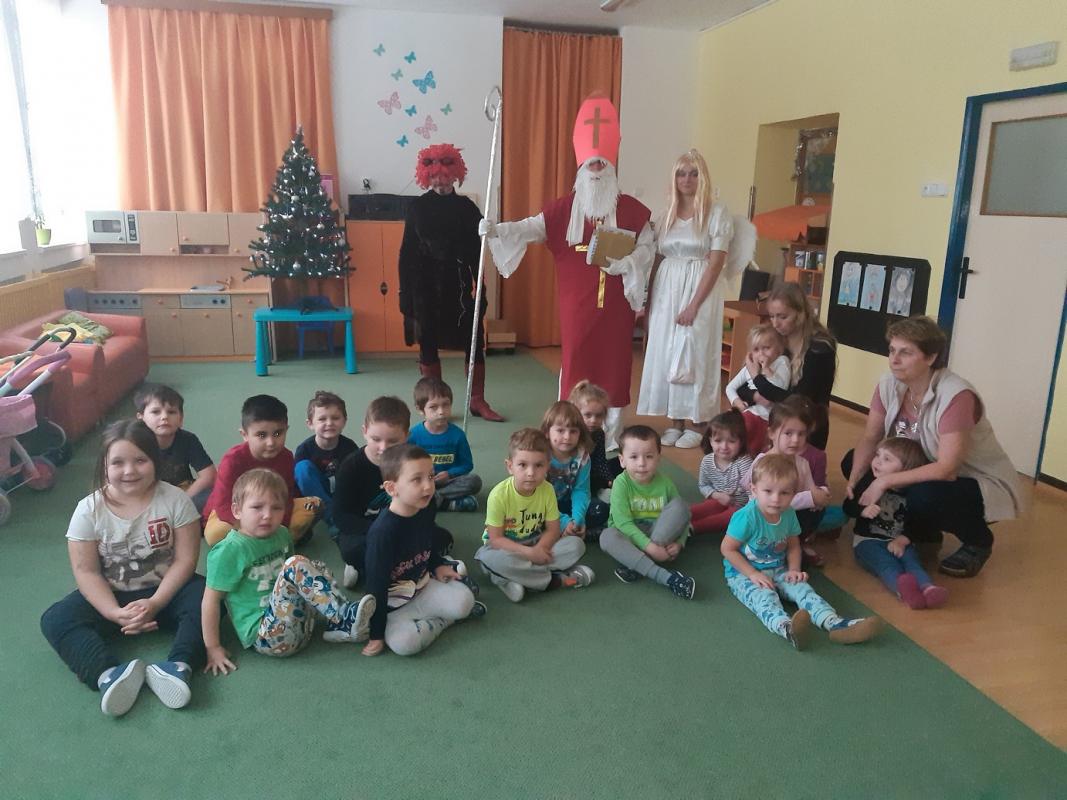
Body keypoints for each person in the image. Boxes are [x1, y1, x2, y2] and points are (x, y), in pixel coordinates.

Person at [481, 95, 654, 444]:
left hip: (617, 308)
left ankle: (610, 439)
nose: (596, 169)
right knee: (577, 363)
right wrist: (497, 229)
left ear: (611, 169)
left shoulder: (634, 211)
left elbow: (648, 248)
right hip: (577, 308)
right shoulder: (562, 211)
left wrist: (630, 262)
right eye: (591, 165)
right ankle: (569, 430)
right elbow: (530, 228)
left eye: (601, 164)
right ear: (581, 170)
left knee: (616, 367)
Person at [40, 419, 206, 716]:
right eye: (118, 462)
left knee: (209, 598)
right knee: (56, 619)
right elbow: (87, 572)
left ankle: (179, 666)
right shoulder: (88, 510)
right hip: (113, 596)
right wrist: (113, 613)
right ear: (104, 465)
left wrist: (156, 602)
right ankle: (108, 675)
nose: (129, 471)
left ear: (155, 460)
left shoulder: (176, 500)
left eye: (140, 460)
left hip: (167, 592)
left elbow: (185, 560)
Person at [843, 316, 1020, 578]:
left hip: (970, 480)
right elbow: (871, 437)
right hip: (923, 466)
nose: (894, 360)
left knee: (925, 495)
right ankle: (923, 531)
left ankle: (978, 541)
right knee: (854, 461)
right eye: (892, 350)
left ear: (930, 357)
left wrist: (883, 482)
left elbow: (947, 469)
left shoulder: (956, 395)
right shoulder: (889, 384)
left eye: (905, 352)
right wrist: (857, 476)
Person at [201, 469, 376, 672]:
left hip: (301, 625)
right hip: (268, 636)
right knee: (297, 565)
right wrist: (213, 647)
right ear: (237, 510)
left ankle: (338, 623)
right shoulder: (229, 551)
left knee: (313, 566)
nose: (267, 515)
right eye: (257, 507)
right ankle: (345, 617)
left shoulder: (282, 534)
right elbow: (210, 601)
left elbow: (295, 580)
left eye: (276, 508)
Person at [722, 453, 882, 650]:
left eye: (784, 493)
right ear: (754, 490)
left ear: (794, 494)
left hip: (778, 568)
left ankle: (834, 622)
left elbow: (793, 545)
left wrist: (794, 569)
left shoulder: (788, 513)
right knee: (764, 597)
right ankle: (787, 627)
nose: (776, 499)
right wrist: (752, 573)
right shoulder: (746, 517)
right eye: (768, 491)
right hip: (742, 573)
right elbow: (727, 549)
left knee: (803, 589)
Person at [636, 149, 735, 449]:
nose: (687, 179)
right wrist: (647, 299)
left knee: (695, 351)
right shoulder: (665, 214)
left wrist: (693, 305)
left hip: (699, 288)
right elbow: (656, 258)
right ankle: (675, 421)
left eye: (693, 173)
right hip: (667, 288)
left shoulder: (716, 214)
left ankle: (698, 422)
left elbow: (716, 263)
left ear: (702, 178)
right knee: (668, 351)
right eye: (681, 173)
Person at [398, 142, 503, 422]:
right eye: (434, 177)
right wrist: (404, 294)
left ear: (455, 175)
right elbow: (406, 253)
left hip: (458, 287)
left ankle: (477, 400)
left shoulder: (466, 208)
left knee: (474, 341)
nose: (440, 182)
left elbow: (478, 253)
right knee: (428, 344)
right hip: (424, 288)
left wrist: (481, 290)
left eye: (445, 176)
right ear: (426, 176)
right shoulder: (417, 208)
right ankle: (434, 404)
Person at [362, 444, 484, 657]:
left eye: (430, 476)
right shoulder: (382, 533)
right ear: (392, 488)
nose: (428, 486)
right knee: (404, 644)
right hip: (394, 607)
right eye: (417, 480)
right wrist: (376, 634)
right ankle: (445, 620)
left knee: (465, 601)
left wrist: (437, 565)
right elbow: (376, 586)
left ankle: (439, 618)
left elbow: (426, 544)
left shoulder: (425, 508)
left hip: (423, 587)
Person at [334, 396, 449, 589]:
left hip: (405, 523)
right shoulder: (350, 467)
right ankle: (363, 566)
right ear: (364, 432)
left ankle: (393, 565)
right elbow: (341, 516)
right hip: (366, 530)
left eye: (393, 441)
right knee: (352, 550)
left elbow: (426, 504)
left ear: (406, 436)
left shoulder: (412, 463)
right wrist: (382, 534)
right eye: (376, 439)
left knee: (441, 537)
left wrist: (411, 529)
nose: (383, 448)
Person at [475, 428, 595, 603]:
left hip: (536, 542)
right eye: (522, 465)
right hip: (504, 549)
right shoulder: (498, 495)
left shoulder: (547, 490)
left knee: (576, 545)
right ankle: (557, 581)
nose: (531, 473)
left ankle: (512, 579)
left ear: (547, 466)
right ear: (510, 466)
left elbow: (553, 530)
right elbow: (496, 540)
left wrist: (540, 549)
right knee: (487, 558)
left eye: (538, 465)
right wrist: (530, 554)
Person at [843, 436, 949, 609]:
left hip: (899, 541)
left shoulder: (913, 493)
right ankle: (904, 591)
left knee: (912, 562)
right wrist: (862, 510)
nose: (877, 461)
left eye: (887, 459)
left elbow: (918, 522)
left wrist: (904, 539)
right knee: (886, 565)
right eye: (878, 455)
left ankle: (928, 588)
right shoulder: (868, 482)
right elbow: (848, 506)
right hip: (867, 541)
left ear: (906, 469)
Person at [201, 395, 320, 547]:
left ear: (286, 430)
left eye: (278, 433)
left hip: (271, 512)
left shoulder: (286, 457)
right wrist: (250, 530)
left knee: (313, 505)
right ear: (245, 435)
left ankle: (276, 538)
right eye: (261, 435)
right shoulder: (232, 460)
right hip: (238, 516)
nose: (271, 442)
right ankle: (276, 540)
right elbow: (223, 505)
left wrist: (279, 527)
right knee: (215, 534)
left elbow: (287, 497)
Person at [600, 425, 696, 599]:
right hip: (629, 536)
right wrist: (650, 547)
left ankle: (636, 563)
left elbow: (682, 516)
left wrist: (680, 542)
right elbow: (623, 524)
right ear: (622, 460)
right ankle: (666, 577)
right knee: (607, 537)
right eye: (634, 457)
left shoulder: (666, 483)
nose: (642, 463)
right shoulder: (621, 484)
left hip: (658, 535)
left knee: (681, 505)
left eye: (649, 456)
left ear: (659, 458)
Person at [742, 396, 831, 567]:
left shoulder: (802, 463)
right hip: (764, 517)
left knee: (817, 509)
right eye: (788, 433)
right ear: (772, 433)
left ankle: (796, 544)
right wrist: (810, 498)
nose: (795, 440)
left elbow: (812, 490)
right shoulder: (763, 462)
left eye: (801, 434)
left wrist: (821, 494)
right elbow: (752, 493)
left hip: (788, 517)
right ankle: (775, 548)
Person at [753, 282, 838, 450]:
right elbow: (745, 382)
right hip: (778, 423)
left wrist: (759, 382)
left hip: (808, 429)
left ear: (800, 314)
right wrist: (753, 393)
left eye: (782, 317)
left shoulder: (820, 348)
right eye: (772, 316)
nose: (775, 324)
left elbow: (798, 400)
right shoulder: (776, 340)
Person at [134, 383, 216, 513]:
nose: (164, 417)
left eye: (171, 412)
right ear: (141, 419)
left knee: (216, 496)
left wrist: (183, 499)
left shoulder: (188, 439)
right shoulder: (134, 445)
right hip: (150, 496)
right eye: (156, 412)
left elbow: (209, 475)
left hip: (184, 492)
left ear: (181, 419)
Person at [407, 376, 482, 512]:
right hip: (422, 481)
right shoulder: (413, 435)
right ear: (420, 409)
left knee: (474, 481)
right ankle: (447, 503)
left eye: (446, 405)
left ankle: (433, 499)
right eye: (433, 407)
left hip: (447, 482)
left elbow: (467, 465)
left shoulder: (458, 435)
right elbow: (405, 465)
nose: (441, 412)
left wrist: (449, 474)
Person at [294, 390, 358, 531]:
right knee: (302, 468)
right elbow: (300, 483)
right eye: (322, 419)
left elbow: (356, 479)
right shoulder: (304, 449)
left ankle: (343, 513)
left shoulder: (350, 447)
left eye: (335, 418)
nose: (329, 423)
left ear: (344, 421)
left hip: (341, 493)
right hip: (317, 494)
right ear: (310, 423)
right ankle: (332, 517)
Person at [724, 324, 791, 456]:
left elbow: (778, 390)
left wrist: (766, 370)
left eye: (766, 348)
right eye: (756, 349)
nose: (761, 354)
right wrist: (738, 403)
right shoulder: (749, 367)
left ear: (778, 349)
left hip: (769, 418)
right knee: (731, 429)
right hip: (749, 413)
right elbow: (730, 387)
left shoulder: (781, 362)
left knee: (756, 447)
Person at [690, 410, 753, 535]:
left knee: (732, 516)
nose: (724, 446)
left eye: (731, 441)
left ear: (741, 442)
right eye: (718, 441)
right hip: (717, 500)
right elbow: (703, 485)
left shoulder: (744, 462)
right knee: (700, 509)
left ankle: (693, 528)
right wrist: (717, 496)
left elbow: (753, 493)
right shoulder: (707, 461)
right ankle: (675, 518)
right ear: (710, 441)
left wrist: (750, 512)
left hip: (741, 507)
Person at [568, 379, 620, 528]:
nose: (593, 420)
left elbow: (600, 461)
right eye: (588, 415)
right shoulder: (570, 435)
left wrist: (610, 479)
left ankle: (606, 490)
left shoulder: (598, 433)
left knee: (623, 462)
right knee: (599, 509)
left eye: (598, 416)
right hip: (576, 482)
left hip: (594, 473)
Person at [540, 400, 596, 538]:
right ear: (547, 432)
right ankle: (562, 529)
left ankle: (570, 530)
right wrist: (564, 522)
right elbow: (537, 496)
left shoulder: (582, 457)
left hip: (566, 503)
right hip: (540, 503)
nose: (567, 437)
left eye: (573, 431)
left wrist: (577, 520)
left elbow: (581, 491)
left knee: (599, 509)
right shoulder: (540, 456)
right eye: (560, 430)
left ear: (580, 434)